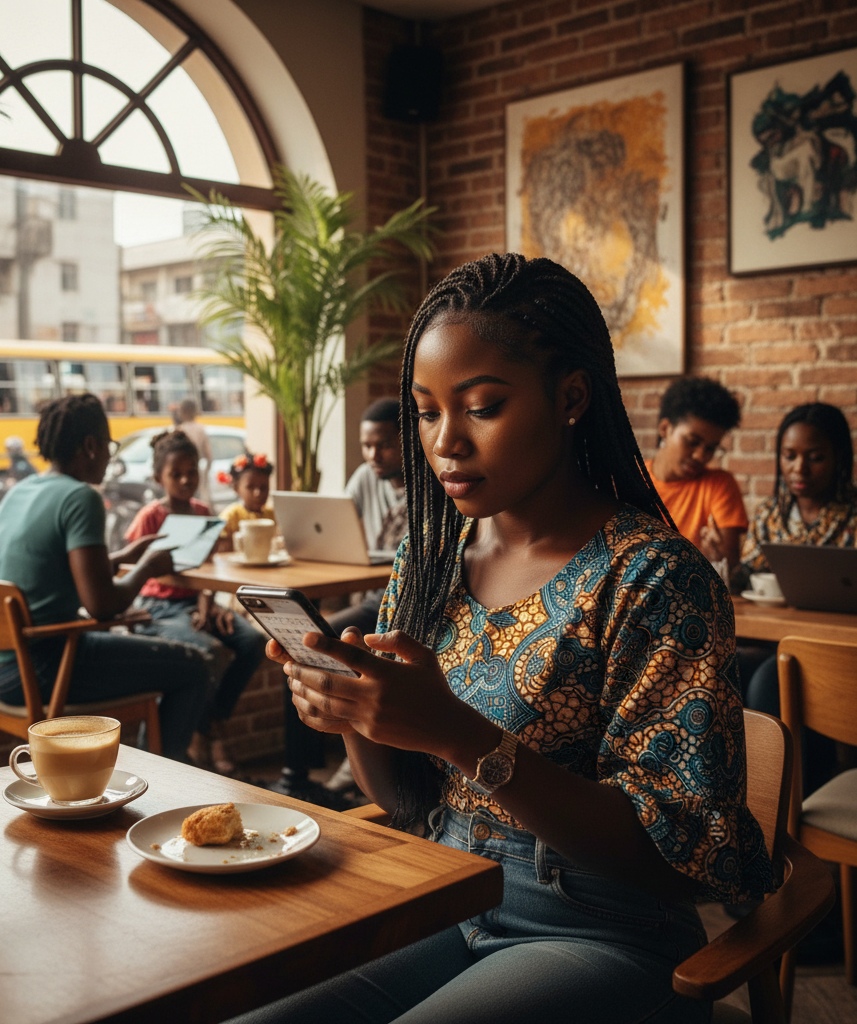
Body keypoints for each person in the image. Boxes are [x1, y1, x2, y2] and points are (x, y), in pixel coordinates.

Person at [229, 254, 773, 1024]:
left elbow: (677, 861)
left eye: (481, 406)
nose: (446, 441)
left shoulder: (652, 578)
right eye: (425, 410)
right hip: (447, 889)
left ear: (571, 397)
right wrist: (356, 711)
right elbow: (407, 803)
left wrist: (456, 731)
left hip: (602, 929)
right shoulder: (431, 558)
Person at [0, 394, 212, 763]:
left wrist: (117, 559)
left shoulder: (21, 490)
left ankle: (157, 762)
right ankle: (163, 775)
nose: (111, 456)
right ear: (91, 446)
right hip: (36, 667)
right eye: (110, 445)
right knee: (196, 665)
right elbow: (102, 606)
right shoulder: (81, 497)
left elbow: (51, 569)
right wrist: (146, 566)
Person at [125, 429, 266, 774]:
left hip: (197, 603)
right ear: (159, 477)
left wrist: (207, 607)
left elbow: (206, 571)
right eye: (177, 474)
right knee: (208, 652)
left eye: (192, 471)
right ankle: (210, 735)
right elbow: (131, 569)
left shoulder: (204, 512)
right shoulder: (150, 517)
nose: (186, 479)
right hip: (158, 608)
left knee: (253, 642)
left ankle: (210, 721)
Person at [736, 403, 856, 794]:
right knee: (730, 667)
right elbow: (750, 575)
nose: (799, 469)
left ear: (839, 457)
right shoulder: (771, 513)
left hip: (835, 648)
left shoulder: (854, 515)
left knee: (770, 680)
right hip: (771, 638)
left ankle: (790, 801)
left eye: (815, 457)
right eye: (789, 457)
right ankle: (742, 795)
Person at [646, 376, 748, 578]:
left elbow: (729, 570)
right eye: (692, 442)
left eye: (711, 448)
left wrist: (717, 562)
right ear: (665, 429)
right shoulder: (628, 481)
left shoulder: (719, 485)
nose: (701, 456)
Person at [327, 397, 408, 635]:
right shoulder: (366, 476)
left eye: (384, 445)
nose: (374, 455)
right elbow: (336, 524)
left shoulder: (434, 485)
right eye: (367, 446)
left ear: (409, 439)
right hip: (374, 596)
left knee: (322, 637)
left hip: (402, 600)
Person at [216, 452, 277, 553]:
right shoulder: (231, 515)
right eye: (250, 487)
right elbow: (219, 545)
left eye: (263, 487)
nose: (257, 493)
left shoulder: (272, 515)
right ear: (236, 488)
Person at [172, 398, 213, 507]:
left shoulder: (179, 430)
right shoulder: (200, 429)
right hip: (197, 469)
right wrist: (205, 472)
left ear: (183, 412)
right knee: (201, 501)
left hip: (182, 470)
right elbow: (208, 455)